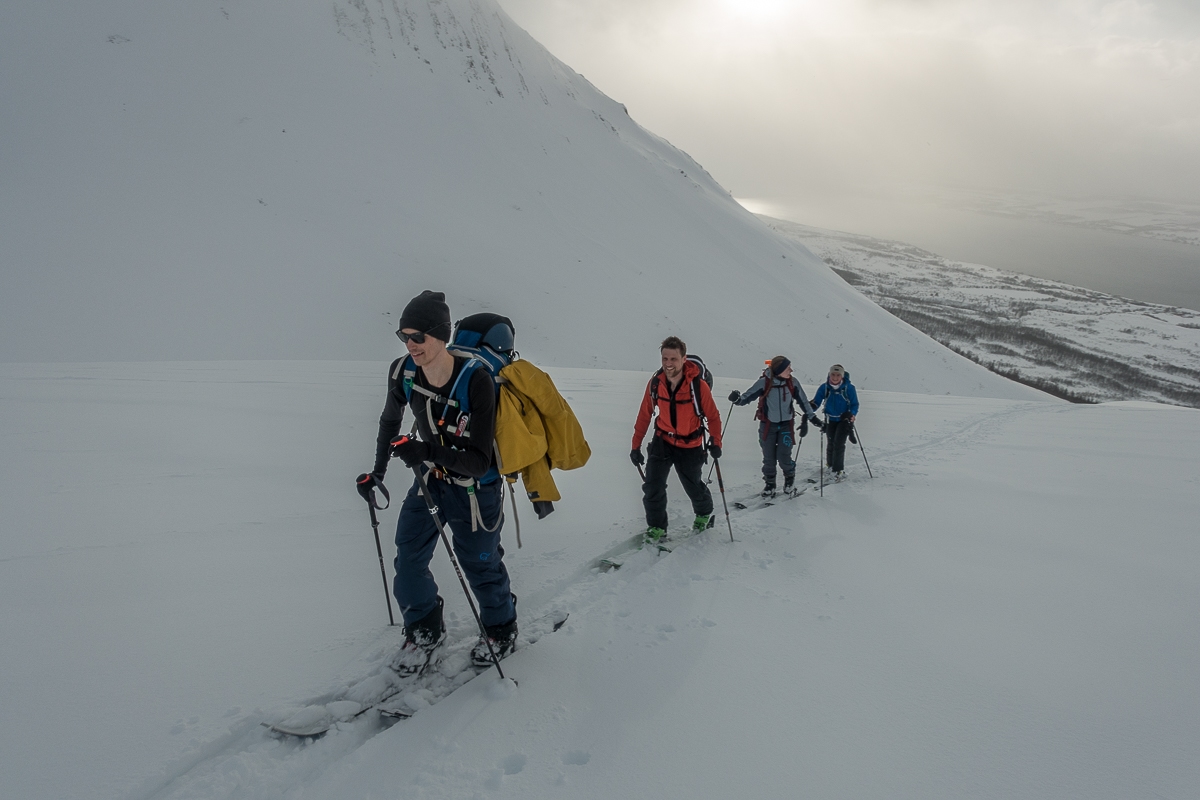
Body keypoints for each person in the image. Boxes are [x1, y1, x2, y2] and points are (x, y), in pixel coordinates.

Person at [358, 290, 516, 673]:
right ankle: (425, 629)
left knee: (479, 563)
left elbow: (479, 462)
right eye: (404, 336)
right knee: (408, 556)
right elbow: (389, 421)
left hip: (475, 489)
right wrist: (377, 473)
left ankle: (500, 628)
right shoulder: (403, 372)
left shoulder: (475, 379)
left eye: (418, 337)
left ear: (441, 335)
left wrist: (425, 452)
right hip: (430, 478)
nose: (410, 345)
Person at [630, 337, 723, 542]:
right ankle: (657, 528)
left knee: (692, 484)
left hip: (690, 444)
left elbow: (713, 416)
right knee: (653, 486)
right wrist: (635, 446)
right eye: (665, 358)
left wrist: (716, 442)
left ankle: (704, 513)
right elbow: (644, 414)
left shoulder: (698, 386)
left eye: (673, 358)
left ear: (683, 358)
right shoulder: (656, 383)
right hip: (662, 441)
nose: (668, 363)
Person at [728, 355, 823, 497]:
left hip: (786, 425)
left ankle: (789, 480)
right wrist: (737, 400)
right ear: (780, 370)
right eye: (788, 367)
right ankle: (770, 484)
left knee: (784, 456)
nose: (791, 370)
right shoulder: (764, 383)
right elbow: (747, 397)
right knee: (769, 458)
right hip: (768, 426)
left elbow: (803, 402)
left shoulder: (793, 383)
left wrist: (813, 418)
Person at [811, 364, 860, 482]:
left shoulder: (849, 388)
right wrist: (809, 408)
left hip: (844, 420)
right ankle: (830, 465)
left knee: (839, 443)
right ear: (829, 374)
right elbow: (817, 401)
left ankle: (838, 470)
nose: (835, 377)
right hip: (830, 419)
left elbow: (855, 404)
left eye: (838, 375)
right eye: (833, 374)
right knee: (831, 442)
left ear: (842, 376)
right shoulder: (825, 387)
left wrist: (852, 414)